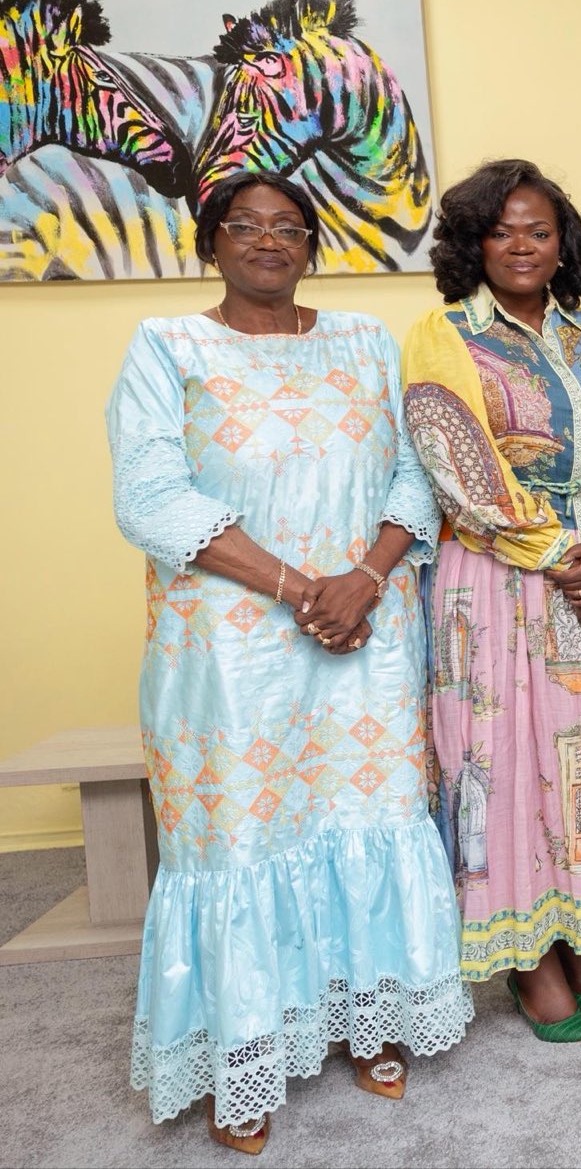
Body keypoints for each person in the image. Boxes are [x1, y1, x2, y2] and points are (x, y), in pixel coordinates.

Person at [109, 171, 469, 1155]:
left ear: (312, 244)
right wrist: (300, 587)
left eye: (288, 226)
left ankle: (368, 1017)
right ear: (210, 243)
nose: (268, 240)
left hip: (365, 632)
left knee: (366, 816)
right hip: (229, 650)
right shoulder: (165, 347)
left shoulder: (365, 341)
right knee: (240, 838)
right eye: (245, 225)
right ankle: (246, 1051)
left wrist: (364, 578)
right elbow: (150, 496)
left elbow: (414, 475)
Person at [401, 159, 581, 1038]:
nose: (521, 245)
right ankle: (527, 955)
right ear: (472, 243)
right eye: (501, 230)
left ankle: (575, 928)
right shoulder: (443, 335)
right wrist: (569, 553)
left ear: (564, 243)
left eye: (539, 229)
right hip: (500, 575)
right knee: (509, 758)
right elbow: (460, 471)